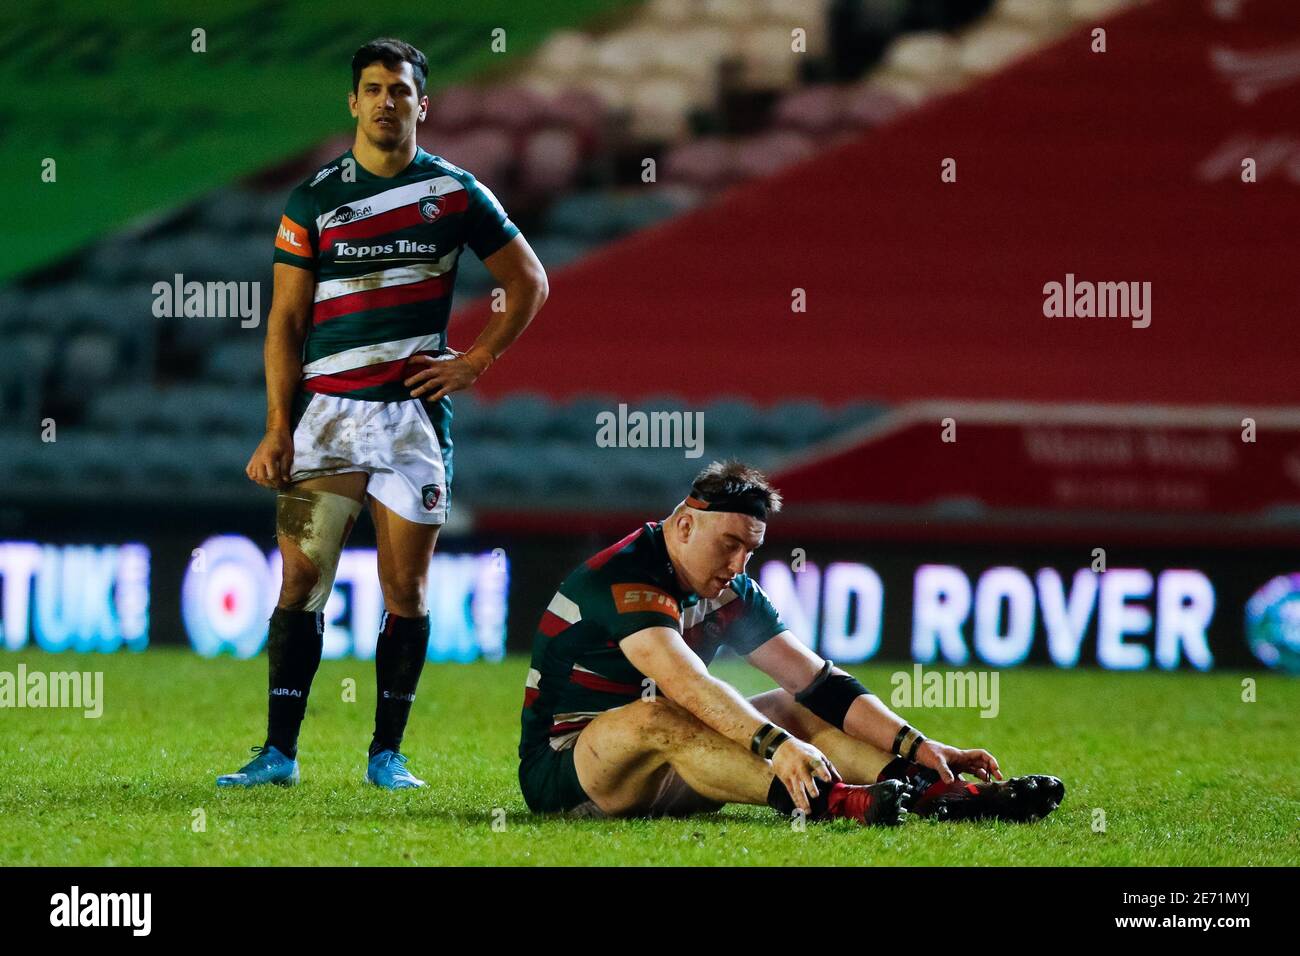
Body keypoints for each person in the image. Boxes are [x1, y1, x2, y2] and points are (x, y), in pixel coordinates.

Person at [219, 37, 548, 790]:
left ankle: (385, 755)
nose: (386, 101)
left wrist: (474, 361)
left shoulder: (456, 193)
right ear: (353, 101)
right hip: (327, 419)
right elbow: (285, 324)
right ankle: (279, 754)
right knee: (300, 581)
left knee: (406, 592)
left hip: (411, 424)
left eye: (400, 90)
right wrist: (276, 427)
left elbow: (528, 280)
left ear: (421, 103)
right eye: (373, 88)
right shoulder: (313, 198)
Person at [518, 460, 1064, 824]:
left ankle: (934, 790)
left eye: (749, 552)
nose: (737, 566)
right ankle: (832, 802)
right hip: (570, 775)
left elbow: (820, 684)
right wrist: (777, 748)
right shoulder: (625, 575)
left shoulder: (729, 588)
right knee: (656, 714)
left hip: (673, 770)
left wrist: (917, 745)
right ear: (684, 526)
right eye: (728, 544)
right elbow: (687, 685)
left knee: (790, 704)